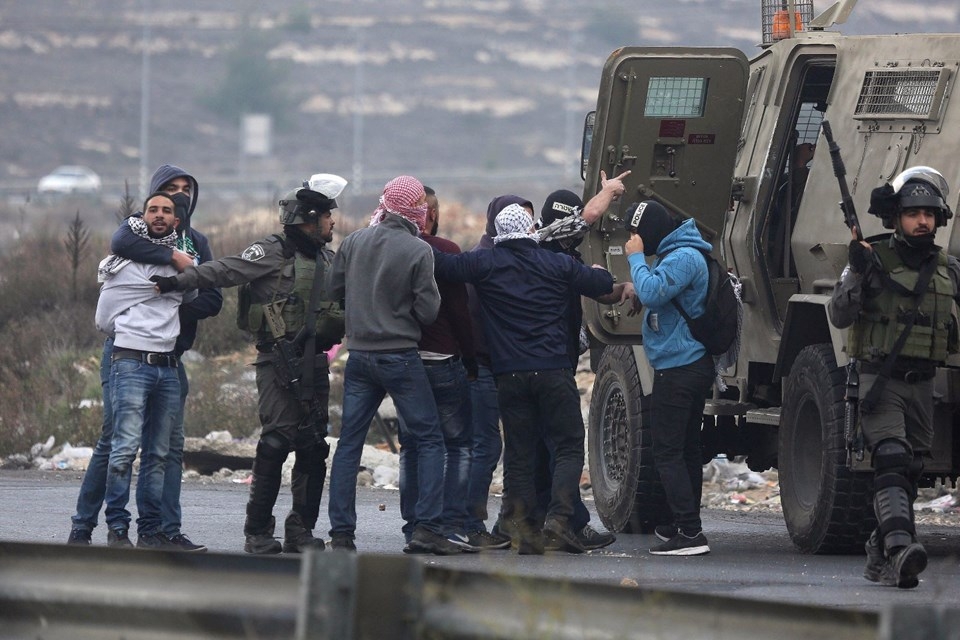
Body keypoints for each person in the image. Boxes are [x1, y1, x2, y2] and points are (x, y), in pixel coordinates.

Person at [152, 174, 347, 554]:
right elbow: (223, 271)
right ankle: (257, 531)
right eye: (326, 216)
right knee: (275, 443)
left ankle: (300, 531)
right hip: (277, 362)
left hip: (315, 364)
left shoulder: (329, 260)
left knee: (313, 447)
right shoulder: (271, 252)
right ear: (308, 218)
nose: (332, 223)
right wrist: (177, 282)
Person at [433, 203, 614, 554]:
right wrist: (598, 271)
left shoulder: (484, 263)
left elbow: (443, 264)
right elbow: (600, 284)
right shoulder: (557, 263)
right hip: (552, 371)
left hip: (509, 375)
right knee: (567, 445)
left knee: (520, 452)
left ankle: (523, 526)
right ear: (531, 230)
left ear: (498, 233)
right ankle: (560, 520)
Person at [68, 164, 222, 551]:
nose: (180, 194)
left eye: (187, 188)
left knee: (167, 448)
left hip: (171, 356)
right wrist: (168, 270)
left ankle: (163, 530)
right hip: (125, 354)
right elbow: (121, 250)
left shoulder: (197, 243)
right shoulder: (133, 235)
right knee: (115, 442)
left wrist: (171, 301)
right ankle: (85, 526)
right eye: (171, 189)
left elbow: (211, 297)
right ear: (152, 200)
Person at [828, 166, 958, 589]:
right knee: (890, 458)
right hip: (879, 379)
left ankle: (879, 548)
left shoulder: (947, 269)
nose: (923, 221)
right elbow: (840, 315)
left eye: (929, 214)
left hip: (924, 383)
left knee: (912, 469)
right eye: (913, 213)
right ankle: (901, 547)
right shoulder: (872, 259)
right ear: (895, 218)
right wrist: (855, 272)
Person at [327, 175, 459, 555]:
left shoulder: (353, 242)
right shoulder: (419, 251)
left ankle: (341, 534)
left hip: (360, 358)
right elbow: (429, 310)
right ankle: (426, 529)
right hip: (400, 356)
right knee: (429, 440)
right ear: (417, 209)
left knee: (349, 444)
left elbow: (334, 291)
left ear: (385, 203)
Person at [94, 192, 186, 548]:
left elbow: (194, 297)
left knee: (158, 454)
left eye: (166, 211)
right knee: (124, 449)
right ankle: (118, 528)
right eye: (153, 210)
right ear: (142, 217)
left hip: (167, 365)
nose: (159, 215)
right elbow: (103, 320)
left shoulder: (182, 264)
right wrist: (137, 334)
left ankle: (151, 531)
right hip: (130, 362)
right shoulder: (123, 265)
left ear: (176, 221)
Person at [625, 200, 714, 556]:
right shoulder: (678, 252)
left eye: (637, 234)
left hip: (680, 368)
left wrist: (635, 259)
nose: (635, 240)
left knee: (667, 452)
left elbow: (652, 291)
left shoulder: (684, 256)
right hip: (685, 365)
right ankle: (683, 522)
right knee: (686, 449)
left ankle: (691, 533)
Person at [396, 185, 479, 551]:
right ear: (430, 214)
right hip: (443, 361)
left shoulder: (392, 251)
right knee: (457, 444)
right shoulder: (445, 251)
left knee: (412, 445)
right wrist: (472, 356)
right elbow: (461, 312)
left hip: (404, 361)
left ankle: (414, 523)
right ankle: (451, 523)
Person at [463, 194, 535, 551]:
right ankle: (470, 522)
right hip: (485, 367)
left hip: (508, 367)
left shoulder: (506, 259)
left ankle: (508, 520)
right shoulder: (484, 263)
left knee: (515, 447)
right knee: (486, 446)